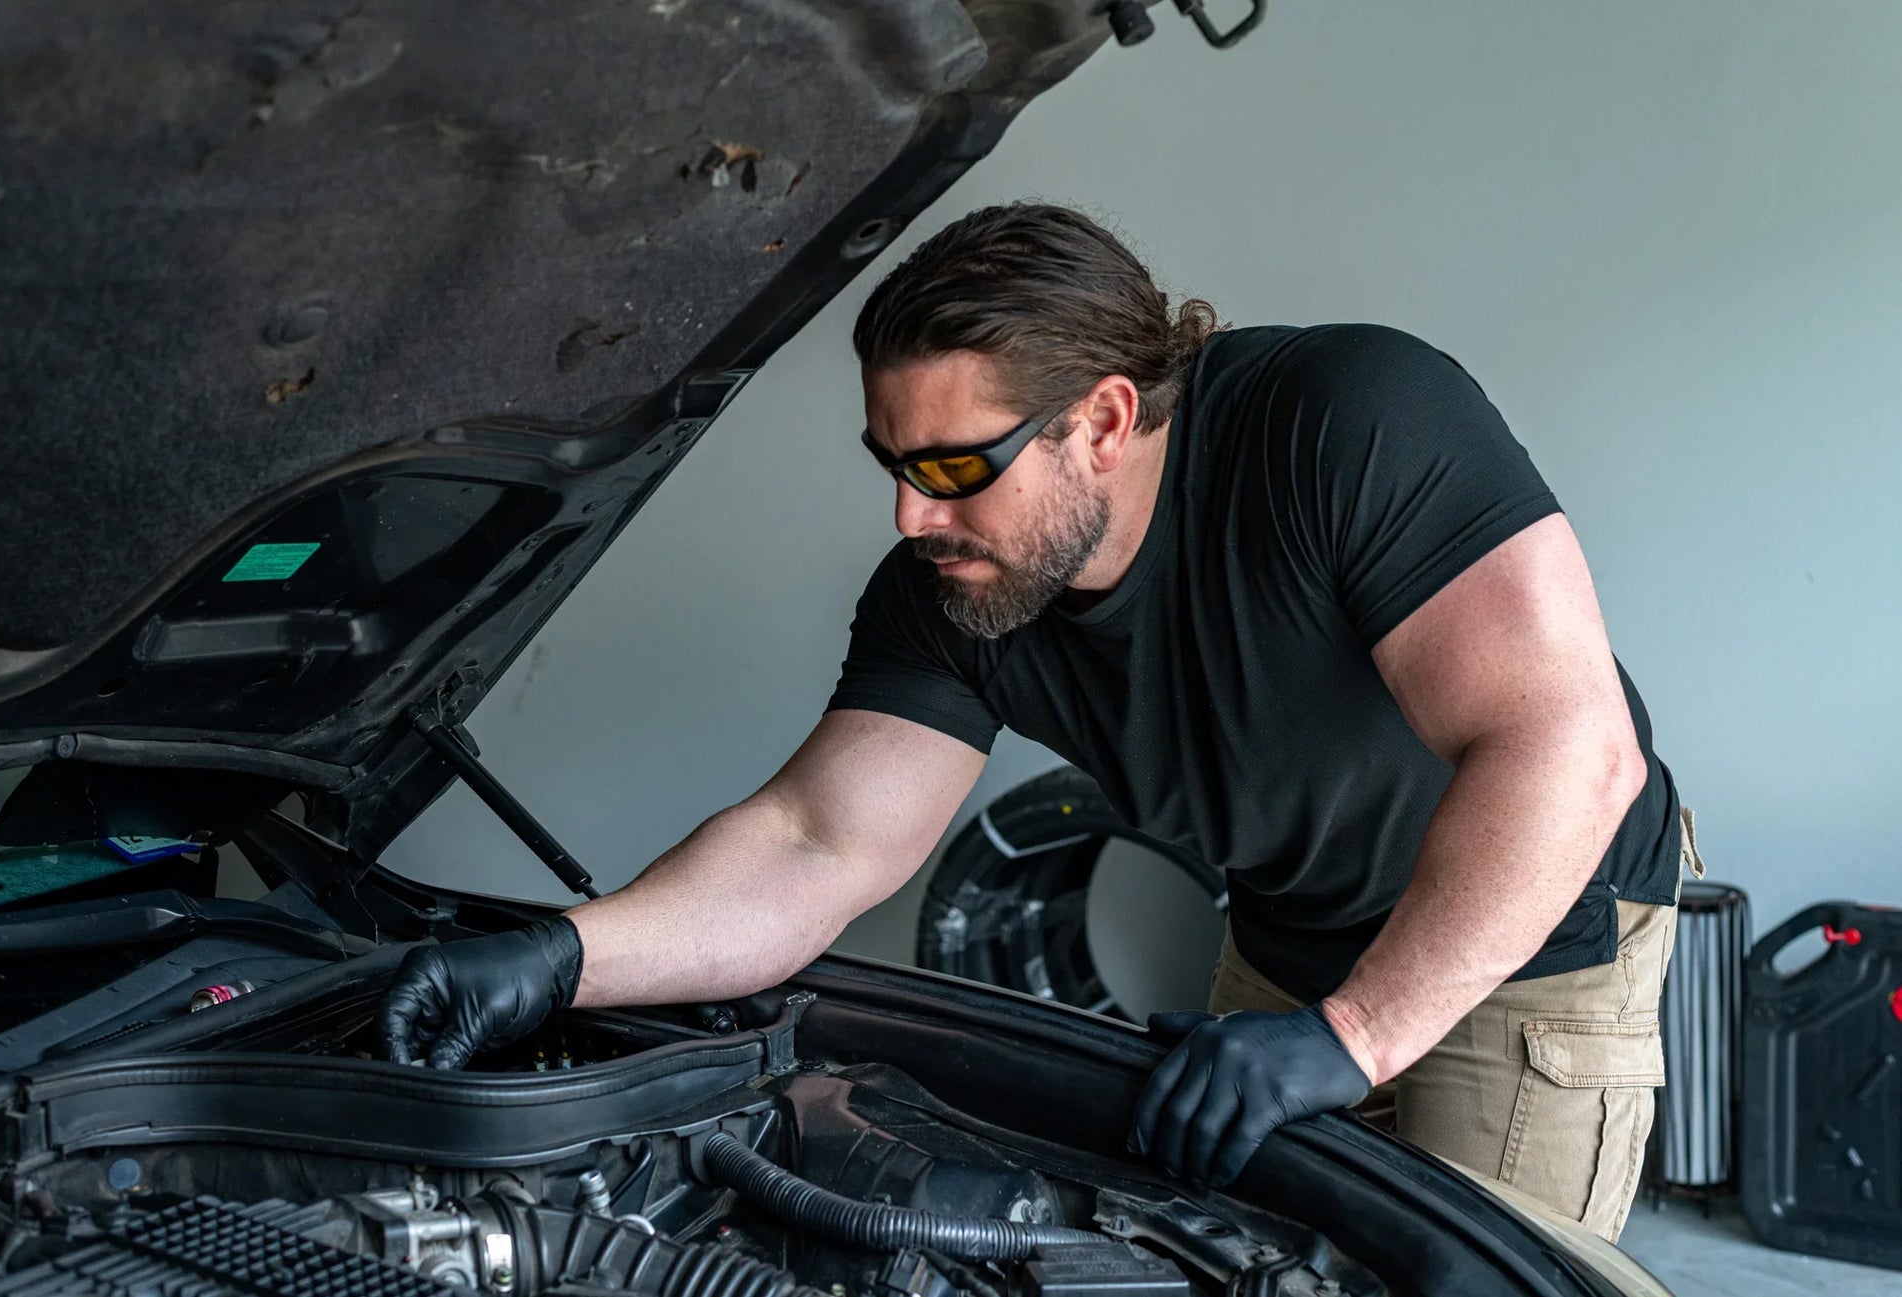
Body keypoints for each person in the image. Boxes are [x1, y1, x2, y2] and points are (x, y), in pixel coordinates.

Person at [379, 203, 1699, 1242]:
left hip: (1534, 931)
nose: (910, 516)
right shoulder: (951, 592)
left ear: (1103, 421)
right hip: (1293, 947)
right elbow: (812, 841)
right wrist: (558, 957)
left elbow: (1564, 749)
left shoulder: (1344, 423)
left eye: (953, 467)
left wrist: (1350, 1037)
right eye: (891, 466)